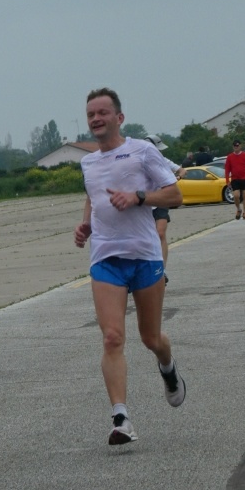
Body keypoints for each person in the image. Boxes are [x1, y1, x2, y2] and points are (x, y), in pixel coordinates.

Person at [74, 88, 186, 445]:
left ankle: (168, 367)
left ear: (119, 118)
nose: (96, 119)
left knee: (151, 338)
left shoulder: (142, 151)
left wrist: (139, 197)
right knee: (112, 337)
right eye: (91, 114)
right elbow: (93, 197)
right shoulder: (88, 163)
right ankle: (121, 418)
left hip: (144, 256)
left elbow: (175, 195)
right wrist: (86, 225)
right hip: (105, 258)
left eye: (103, 112)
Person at [144, 134, 186, 285]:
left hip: (161, 200)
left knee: (160, 233)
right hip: (144, 203)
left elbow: (182, 171)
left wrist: (176, 178)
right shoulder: (137, 162)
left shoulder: (163, 160)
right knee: (145, 238)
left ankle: (162, 270)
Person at [224, 140, 245, 219]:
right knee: (236, 195)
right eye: (234, 146)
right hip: (235, 179)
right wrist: (227, 180)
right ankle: (238, 209)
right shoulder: (230, 157)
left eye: (237, 146)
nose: (236, 147)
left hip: (244, 178)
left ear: (240, 146)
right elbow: (227, 170)